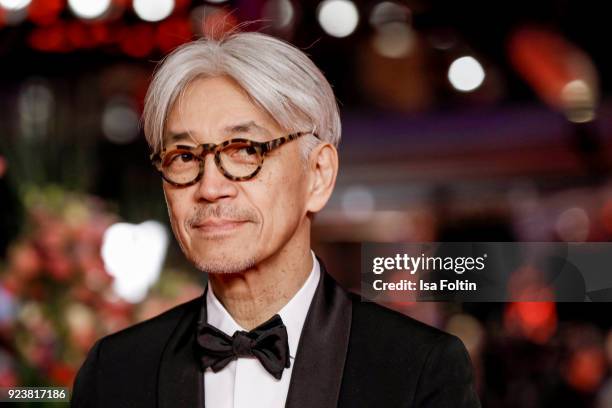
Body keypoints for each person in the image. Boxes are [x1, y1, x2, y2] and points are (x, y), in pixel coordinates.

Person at [71, 31, 480, 408]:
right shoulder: (116, 370)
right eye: (183, 157)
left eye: (245, 150)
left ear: (318, 176)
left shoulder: (418, 369)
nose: (210, 186)